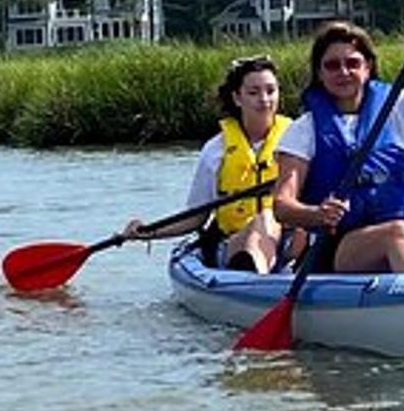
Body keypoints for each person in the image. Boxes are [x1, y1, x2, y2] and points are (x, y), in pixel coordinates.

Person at [271, 22, 404, 273]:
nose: (343, 72)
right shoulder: (304, 130)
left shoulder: (398, 107)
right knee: (395, 233)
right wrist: (317, 214)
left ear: (368, 67)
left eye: (353, 63)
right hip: (337, 247)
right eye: (332, 65)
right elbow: (282, 205)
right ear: (320, 72)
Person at [122, 54, 300, 272]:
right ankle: (252, 275)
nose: (264, 99)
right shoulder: (216, 150)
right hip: (233, 242)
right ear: (237, 98)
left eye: (271, 91)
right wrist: (149, 231)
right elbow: (195, 218)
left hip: (290, 243)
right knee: (262, 221)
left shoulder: (300, 141)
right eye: (253, 93)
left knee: (275, 221)